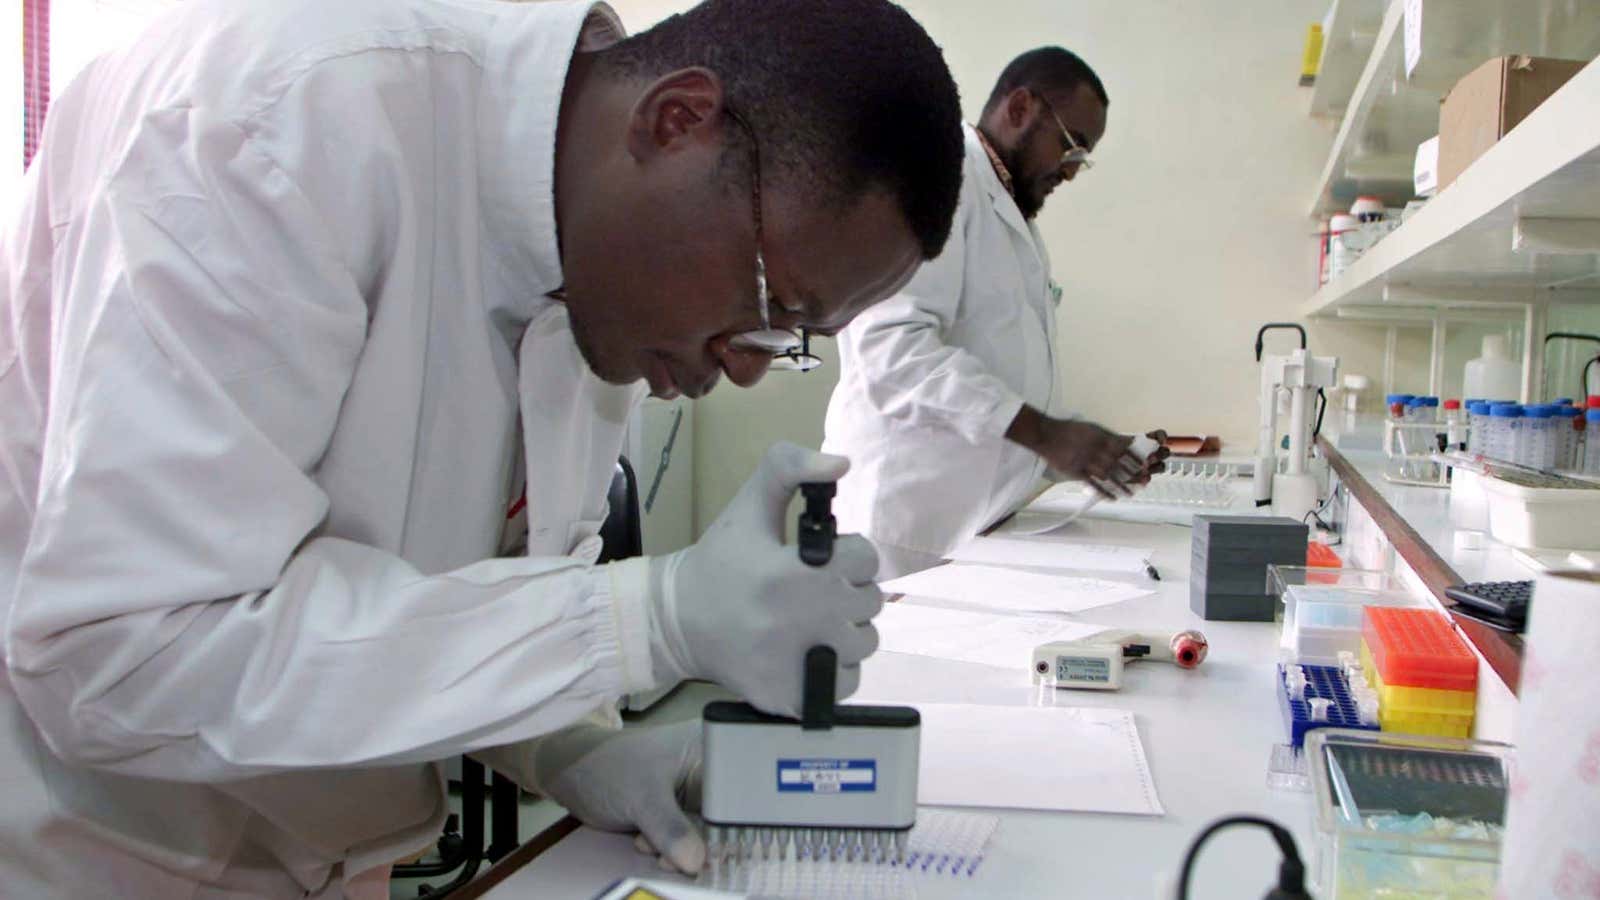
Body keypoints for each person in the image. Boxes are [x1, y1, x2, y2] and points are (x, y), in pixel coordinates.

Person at [0, 0, 965, 895]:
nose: (750, 368)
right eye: (773, 305)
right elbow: (126, 654)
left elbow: (462, 592)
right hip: (96, 852)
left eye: (795, 340)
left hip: (326, 853)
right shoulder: (281, 123)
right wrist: (645, 617)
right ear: (678, 122)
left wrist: (566, 747)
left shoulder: (600, 269)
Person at [822, 47, 1166, 579]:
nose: (1070, 173)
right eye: (1071, 147)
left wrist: (1088, 453)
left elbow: (1000, 378)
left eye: (1082, 160)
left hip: (971, 526)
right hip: (900, 529)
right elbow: (891, 353)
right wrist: (1049, 435)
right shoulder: (937, 183)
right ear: (1021, 107)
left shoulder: (1009, 210)